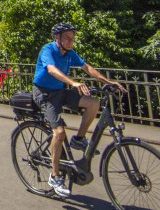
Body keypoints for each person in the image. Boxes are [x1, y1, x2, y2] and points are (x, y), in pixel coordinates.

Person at [32, 22, 126, 197]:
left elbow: (87, 68)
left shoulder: (70, 54)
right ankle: (54, 176)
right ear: (57, 38)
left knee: (93, 103)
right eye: (67, 38)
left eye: (72, 38)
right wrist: (73, 82)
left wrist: (108, 82)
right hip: (44, 94)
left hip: (60, 91)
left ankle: (79, 139)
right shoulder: (48, 50)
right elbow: (51, 70)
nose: (70, 41)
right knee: (59, 133)